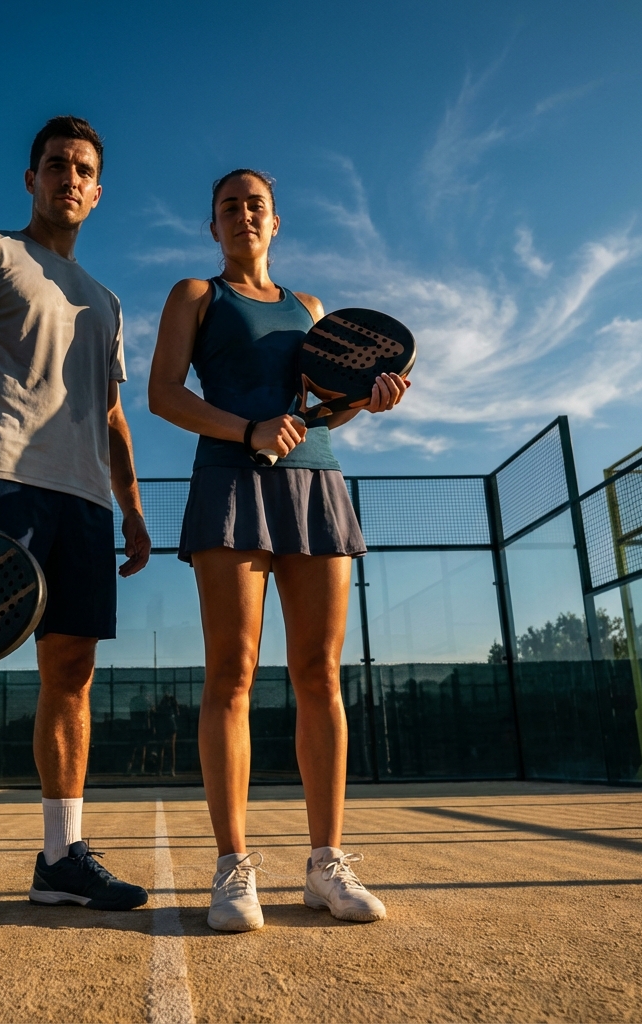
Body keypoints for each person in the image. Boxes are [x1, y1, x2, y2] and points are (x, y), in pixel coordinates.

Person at [0, 116, 152, 946]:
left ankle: (59, 860)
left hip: (85, 503)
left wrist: (136, 508)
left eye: (83, 168)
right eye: (55, 164)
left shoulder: (107, 302)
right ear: (31, 179)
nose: (68, 177)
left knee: (70, 678)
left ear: (99, 190)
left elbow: (111, 414)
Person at [148, 169, 409, 932]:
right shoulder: (196, 295)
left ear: (275, 221)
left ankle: (326, 864)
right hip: (230, 479)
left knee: (318, 673)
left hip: (314, 486)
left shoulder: (313, 309)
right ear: (214, 226)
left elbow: (320, 415)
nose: (242, 215)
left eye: (254, 204)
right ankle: (233, 869)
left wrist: (365, 401)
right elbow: (164, 394)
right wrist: (247, 431)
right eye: (228, 206)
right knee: (230, 675)